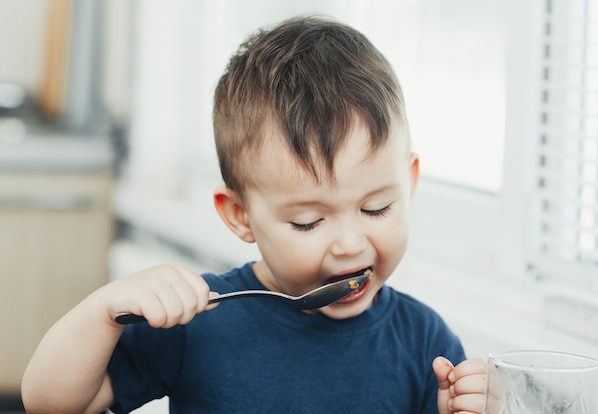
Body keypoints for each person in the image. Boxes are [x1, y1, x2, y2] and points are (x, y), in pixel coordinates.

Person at [22, 16, 487, 413]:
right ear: (240, 215)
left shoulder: (425, 342)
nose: (350, 243)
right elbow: (51, 404)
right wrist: (102, 311)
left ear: (408, 183)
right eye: (308, 221)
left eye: (376, 208)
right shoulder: (201, 321)